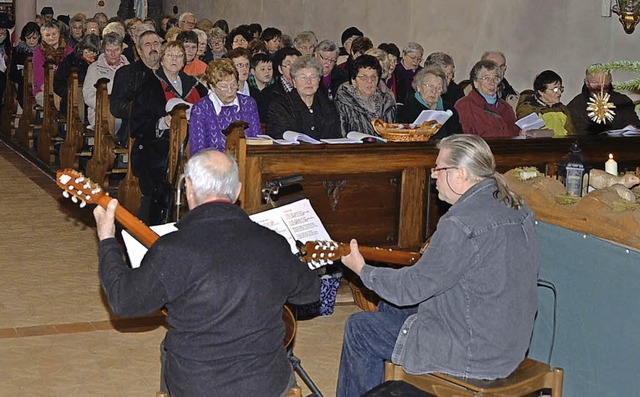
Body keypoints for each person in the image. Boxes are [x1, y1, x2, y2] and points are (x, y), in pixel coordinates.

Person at [93, 149, 320, 396]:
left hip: (199, 386)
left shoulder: (172, 250)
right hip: (265, 384)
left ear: (188, 189)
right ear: (237, 191)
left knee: (168, 348)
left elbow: (123, 300)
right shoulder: (272, 243)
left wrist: (106, 238)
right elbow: (309, 293)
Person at [336, 134, 539, 397]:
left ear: (461, 174)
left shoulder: (459, 222)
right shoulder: (515, 204)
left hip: (475, 353)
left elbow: (411, 288)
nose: (433, 175)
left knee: (360, 328)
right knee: (389, 306)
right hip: (508, 342)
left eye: (439, 168)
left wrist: (363, 270)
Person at [110, 30, 168, 225]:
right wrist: (144, 109)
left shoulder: (168, 73)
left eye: (156, 43)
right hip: (137, 131)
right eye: (147, 45)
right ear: (138, 50)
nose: (153, 48)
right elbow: (116, 106)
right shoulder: (127, 73)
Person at [189, 58, 261, 155]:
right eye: (224, 86)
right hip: (213, 166)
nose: (230, 90)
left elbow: (257, 141)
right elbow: (198, 152)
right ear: (212, 87)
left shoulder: (248, 104)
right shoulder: (201, 109)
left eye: (233, 84)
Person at [267, 56, 341, 140]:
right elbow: (278, 136)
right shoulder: (280, 106)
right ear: (294, 82)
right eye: (303, 77)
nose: (308, 82)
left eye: (313, 77)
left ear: (319, 80)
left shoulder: (329, 105)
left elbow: (336, 136)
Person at [454, 60, 520, 138]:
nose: (492, 83)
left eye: (495, 78)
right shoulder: (464, 105)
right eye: (486, 78)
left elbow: (514, 135)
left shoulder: (506, 107)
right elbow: (465, 140)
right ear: (476, 83)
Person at [335, 54, 396, 136]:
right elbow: (342, 137)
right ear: (353, 80)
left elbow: (392, 134)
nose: (369, 81)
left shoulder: (386, 102)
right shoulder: (342, 103)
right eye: (363, 77)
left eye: (373, 77)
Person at [567, 67, 640, 135]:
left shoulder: (622, 101)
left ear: (611, 80)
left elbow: (634, 126)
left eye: (604, 83)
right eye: (595, 83)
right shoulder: (576, 105)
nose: (600, 87)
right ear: (586, 82)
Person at [397, 66, 462, 140]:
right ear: (418, 87)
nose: (434, 91)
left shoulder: (449, 110)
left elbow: (458, 137)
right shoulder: (405, 111)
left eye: (439, 88)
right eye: (430, 86)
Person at [83, 33, 129, 131]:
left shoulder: (129, 68)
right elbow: (88, 95)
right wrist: (107, 105)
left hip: (124, 110)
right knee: (115, 121)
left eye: (116, 50)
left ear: (121, 49)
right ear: (104, 50)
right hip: (100, 111)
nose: (113, 54)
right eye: (109, 50)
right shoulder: (94, 68)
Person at [516, 70, 576, 138]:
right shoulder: (527, 109)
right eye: (555, 90)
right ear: (541, 92)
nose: (559, 93)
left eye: (560, 88)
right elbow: (530, 134)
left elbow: (572, 134)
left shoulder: (563, 109)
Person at [53, 34, 100, 117]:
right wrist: (71, 93)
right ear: (82, 49)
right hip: (72, 100)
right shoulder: (70, 61)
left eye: (94, 52)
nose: (90, 54)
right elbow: (57, 84)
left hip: (93, 101)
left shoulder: (100, 63)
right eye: (87, 51)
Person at [32, 21, 73, 107]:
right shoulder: (38, 52)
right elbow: (40, 77)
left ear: (59, 34)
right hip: (43, 90)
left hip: (65, 88)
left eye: (54, 34)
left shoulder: (69, 50)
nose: (51, 37)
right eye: (47, 35)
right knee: (55, 101)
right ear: (42, 37)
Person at [259, 46, 302, 122]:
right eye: (288, 64)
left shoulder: (308, 88)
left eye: (296, 64)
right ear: (280, 69)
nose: (293, 68)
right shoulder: (268, 94)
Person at [10, 22, 41, 108]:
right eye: (28, 38)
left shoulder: (43, 52)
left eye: (34, 38)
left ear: (39, 37)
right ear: (24, 38)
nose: (31, 41)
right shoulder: (18, 51)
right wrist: (23, 72)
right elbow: (12, 74)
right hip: (23, 83)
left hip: (40, 83)